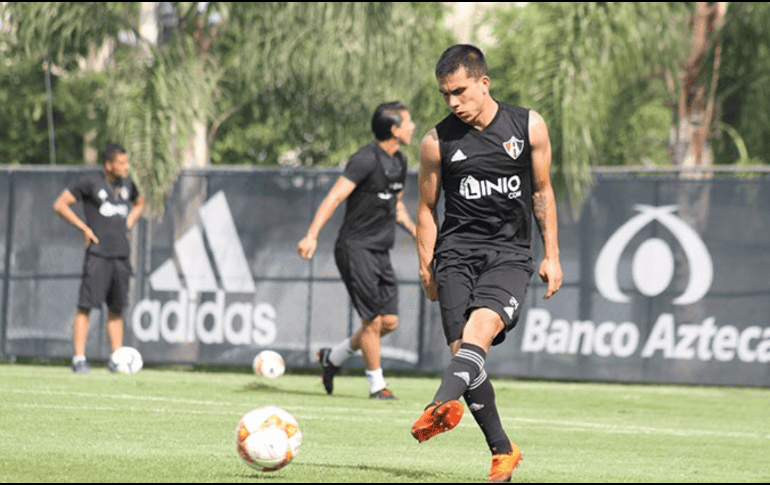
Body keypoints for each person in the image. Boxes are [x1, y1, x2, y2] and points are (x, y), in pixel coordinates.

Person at [411, 45, 563, 482]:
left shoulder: (527, 126)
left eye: (460, 91)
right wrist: (426, 265)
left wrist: (551, 254)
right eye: (445, 95)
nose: (453, 102)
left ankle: (439, 403)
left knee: (478, 332)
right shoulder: (436, 142)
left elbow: (542, 191)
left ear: (483, 82)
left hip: (509, 256)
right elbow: (426, 207)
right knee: (466, 356)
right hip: (455, 256)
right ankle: (503, 451)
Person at [297, 102, 417, 400]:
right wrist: (312, 235)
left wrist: (418, 235)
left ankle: (333, 357)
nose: (413, 126)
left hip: (380, 251)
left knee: (389, 322)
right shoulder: (365, 159)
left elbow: (397, 206)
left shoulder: (400, 161)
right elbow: (335, 197)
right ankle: (377, 387)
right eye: (408, 121)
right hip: (355, 248)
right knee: (372, 322)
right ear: (394, 128)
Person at [53, 142, 145, 374]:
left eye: (127, 162)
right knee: (86, 307)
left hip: (121, 256)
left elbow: (140, 203)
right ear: (108, 164)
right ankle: (79, 359)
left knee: (117, 308)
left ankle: (117, 359)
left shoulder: (127, 184)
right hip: (98, 254)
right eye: (121, 163)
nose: (126, 167)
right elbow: (60, 204)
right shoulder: (89, 182)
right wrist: (83, 228)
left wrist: (130, 220)